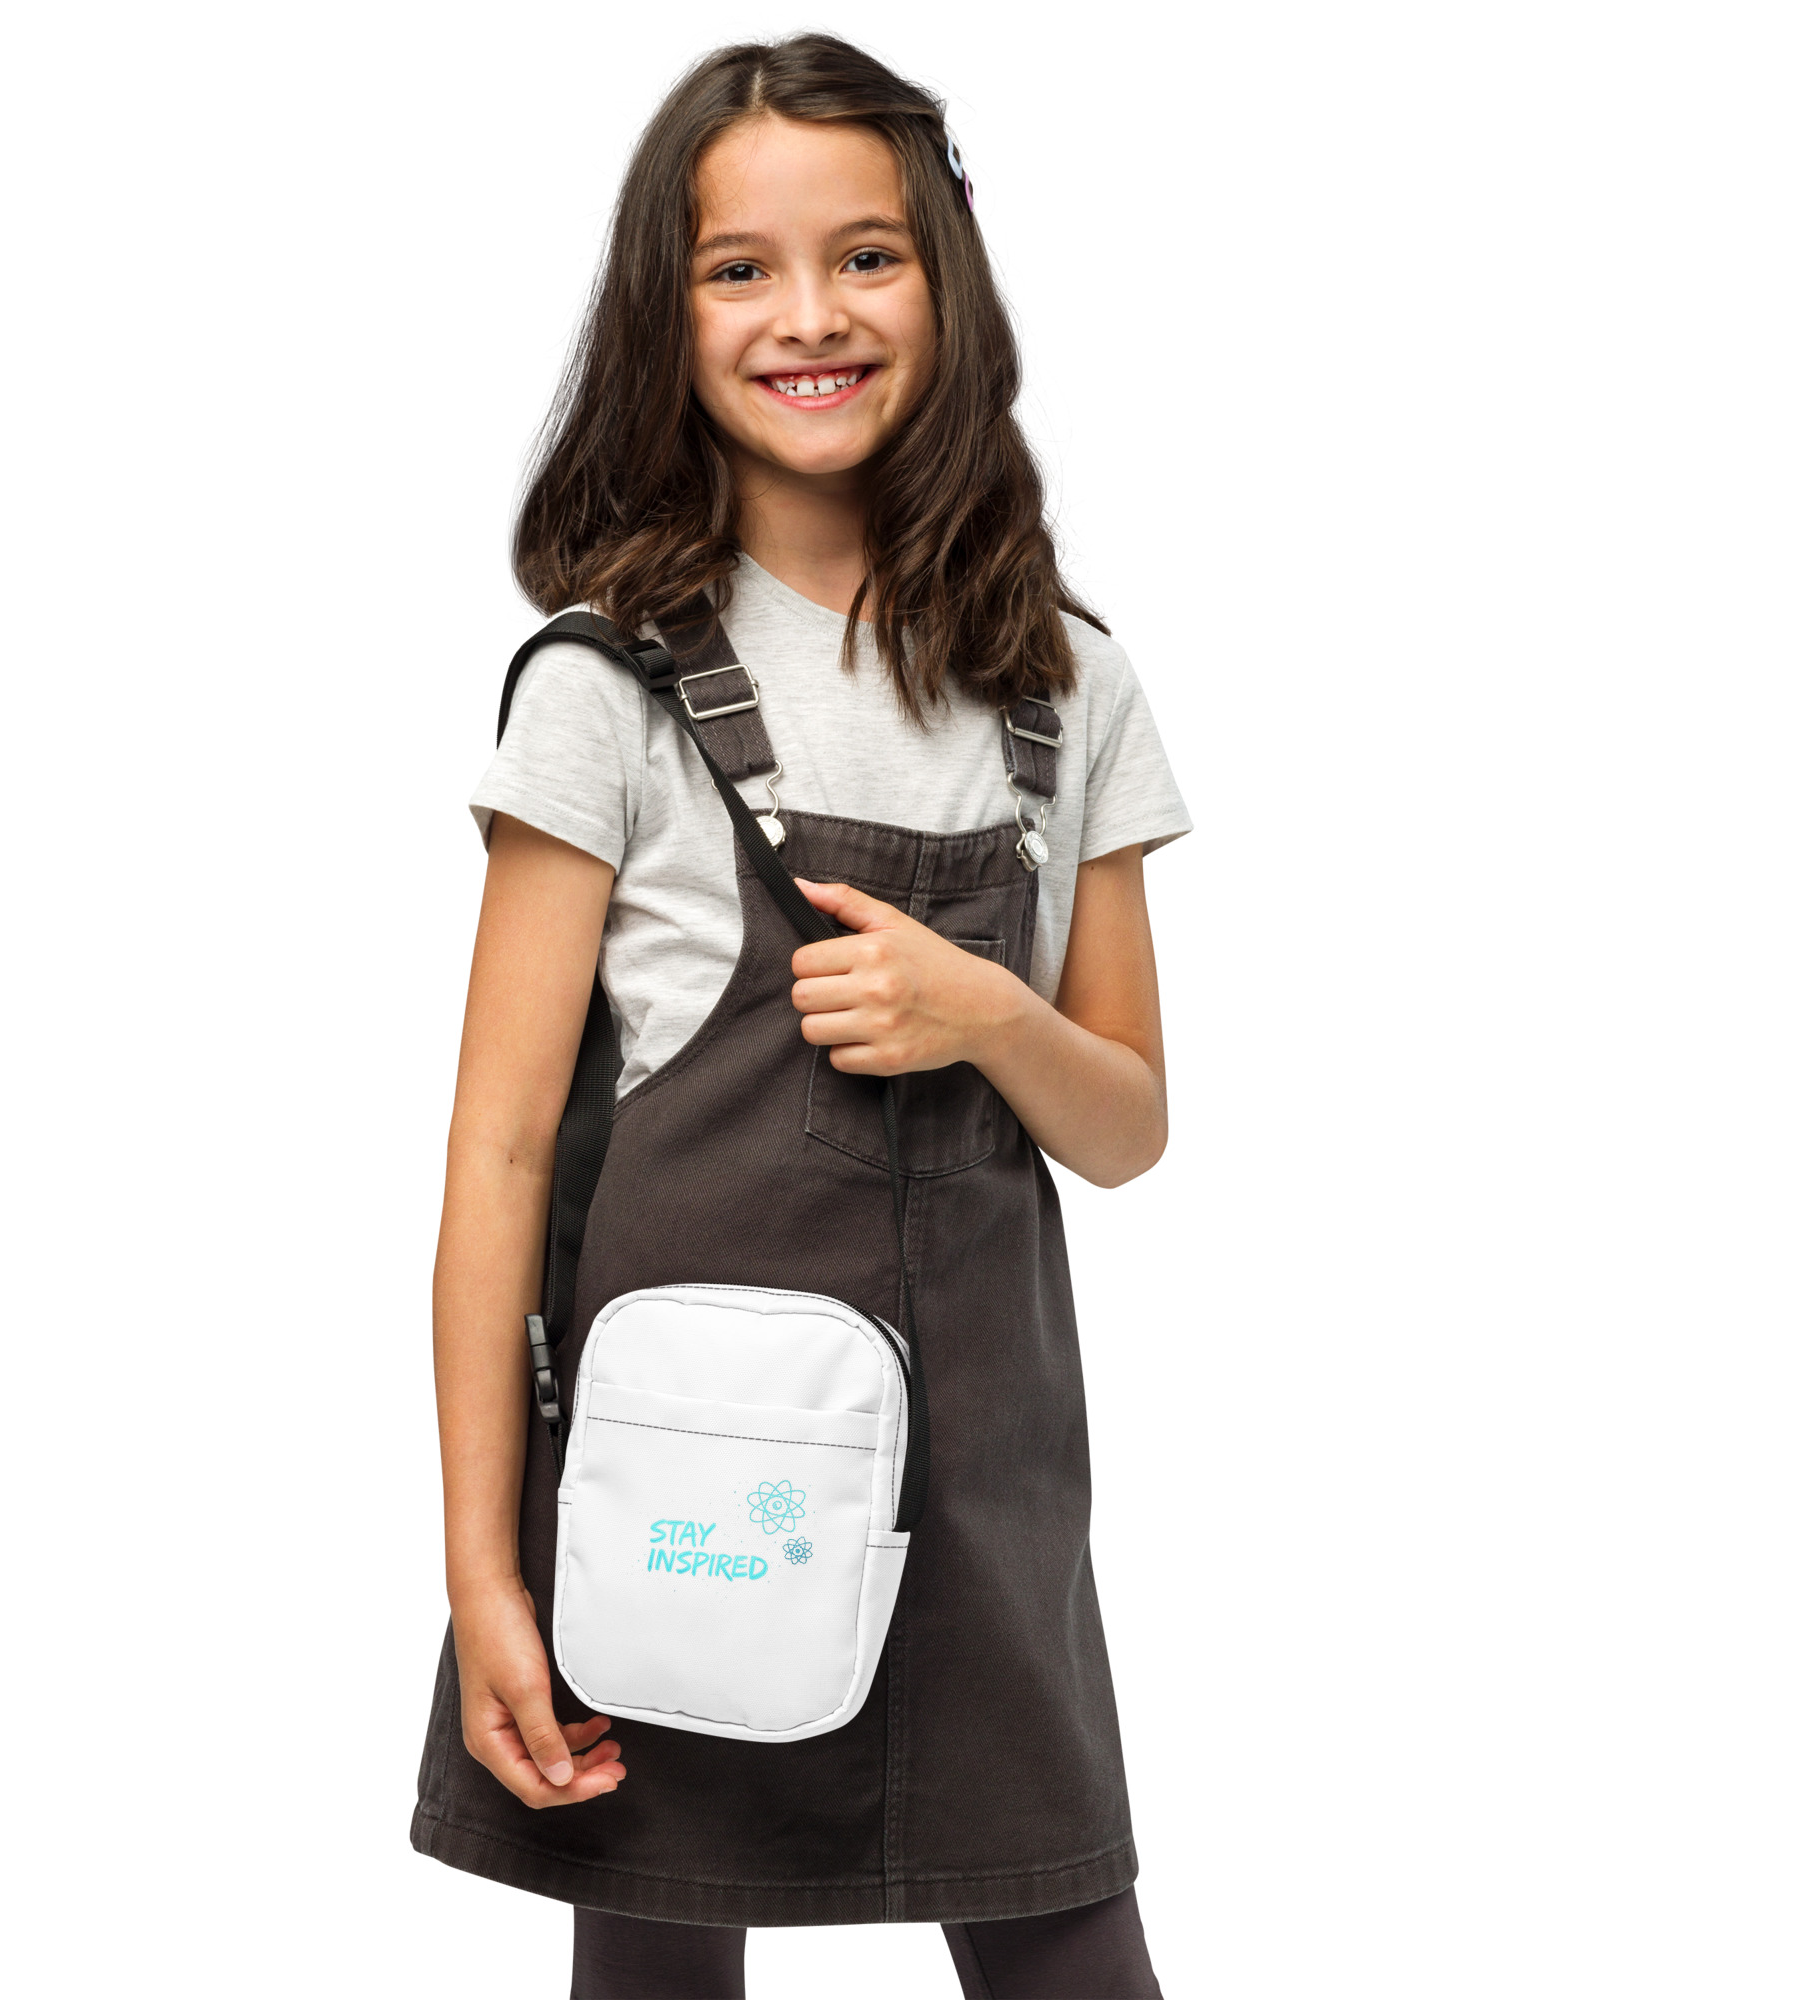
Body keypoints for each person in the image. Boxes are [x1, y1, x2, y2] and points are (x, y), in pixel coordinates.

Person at [412, 34, 1191, 2000]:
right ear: (662, 317)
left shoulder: (1066, 684)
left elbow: (1125, 1125)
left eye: (866, 256)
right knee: (658, 1961)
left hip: (984, 1508)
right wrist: (485, 1569)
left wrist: (981, 1011)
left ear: (945, 279)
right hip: (686, 1491)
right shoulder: (601, 688)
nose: (810, 315)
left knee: (1069, 1945)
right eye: (738, 269)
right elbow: (497, 1153)